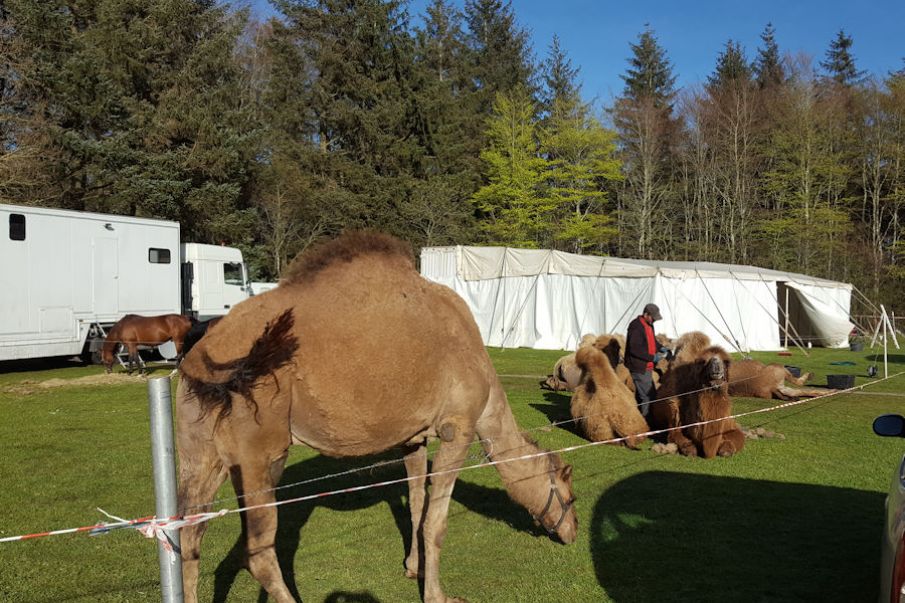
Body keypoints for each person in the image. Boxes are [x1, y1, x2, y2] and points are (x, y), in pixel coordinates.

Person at [625, 303, 668, 417]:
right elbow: (634, 349)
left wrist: (661, 347)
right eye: (653, 317)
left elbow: (652, 340)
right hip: (639, 366)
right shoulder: (636, 326)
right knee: (648, 396)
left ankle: (637, 416)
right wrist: (652, 357)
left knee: (641, 394)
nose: (654, 320)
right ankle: (647, 423)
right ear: (646, 314)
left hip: (647, 366)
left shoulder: (649, 325)